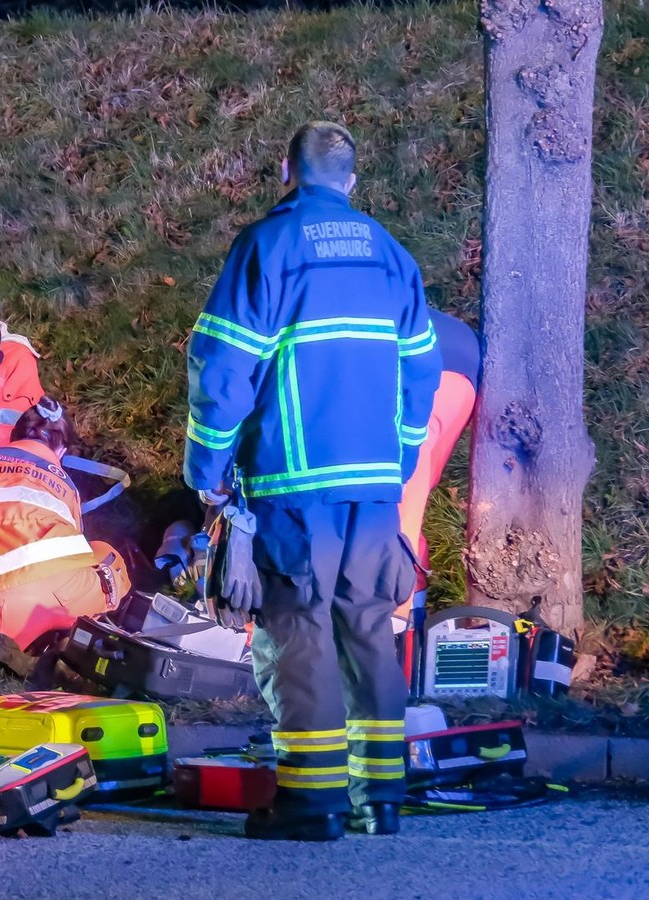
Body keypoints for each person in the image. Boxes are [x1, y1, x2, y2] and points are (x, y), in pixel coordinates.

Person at [185, 121, 441, 841]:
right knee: (367, 629)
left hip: (294, 485)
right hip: (373, 490)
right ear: (353, 181)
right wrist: (399, 460)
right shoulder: (391, 254)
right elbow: (421, 368)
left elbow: (224, 367)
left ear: (285, 170)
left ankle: (311, 802)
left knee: (298, 632)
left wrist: (206, 472)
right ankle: (381, 797)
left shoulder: (267, 247)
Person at [0, 399, 129, 665]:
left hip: (2, 604)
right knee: (107, 556)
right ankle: (66, 638)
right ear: (61, 449)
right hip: (71, 593)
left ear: (14, 436)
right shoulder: (66, 486)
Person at [395, 309, 481, 633]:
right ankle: (405, 634)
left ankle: (396, 629)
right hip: (457, 360)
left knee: (399, 496)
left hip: (413, 364)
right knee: (410, 490)